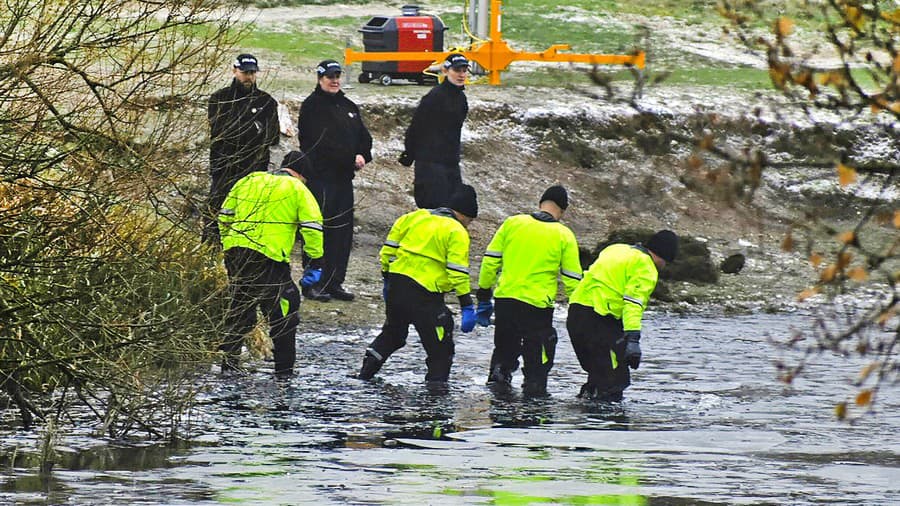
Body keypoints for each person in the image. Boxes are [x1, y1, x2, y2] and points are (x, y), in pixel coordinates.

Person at [358, 185, 480, 382]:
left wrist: (387, 280)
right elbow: (457, 271)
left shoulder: (413, 217)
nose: (469, 225)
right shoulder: (456, 230)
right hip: (426, 295)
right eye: (470, 221)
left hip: (397, 285)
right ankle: (434, 399)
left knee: (393, 334)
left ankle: (364, 375)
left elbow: (388, 251)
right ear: (465, 215)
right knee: (440, 348)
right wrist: (466, 304)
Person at [217, 159, 325, 377]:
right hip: (269, 257)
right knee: (285, 310)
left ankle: (229, 366)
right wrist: (315, 260)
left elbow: (224, 215)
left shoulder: (249, 180)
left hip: (236, 253)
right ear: (302, 175)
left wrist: (228, 242)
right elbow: (312, 227)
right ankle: (284, 372)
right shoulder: (298, 189)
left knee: (241, 306)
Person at [476, 185, 583, 395]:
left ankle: (498, 403)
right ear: (562, 210)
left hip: (506, 299)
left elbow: (490, 261)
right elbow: (572, 278)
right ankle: (534, 405)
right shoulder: (564, 235)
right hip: (537, 306)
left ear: (541, 203)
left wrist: (483, 293)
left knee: (504, 352)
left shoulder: (512, 223)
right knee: (538, 360)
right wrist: (578, 307)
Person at [566, 230, 679, 401]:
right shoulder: (646, 266)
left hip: (575, 315)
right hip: (600, 318)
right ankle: (609, 424)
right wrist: (633, 339)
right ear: (663, 256)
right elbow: (633, 304)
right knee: (614, 381)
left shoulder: (616, 249)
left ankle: (585, 415)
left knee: (598, 374)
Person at [297, 59, 373, 302]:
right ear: (320, 79)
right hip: (321, 179)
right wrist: (350, 158)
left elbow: (364, 137)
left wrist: (362, 154)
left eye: (337, 75)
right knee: (319, 232)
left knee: (342, 234)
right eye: (330, 76)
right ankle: (313, 282)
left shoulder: (348, 106)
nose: (334, 80)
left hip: (343, 180)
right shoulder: (312, 107)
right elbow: (320, 144)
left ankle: (335, 281)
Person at [205, 53, 280, 244]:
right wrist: (253, 128)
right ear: (235, 71)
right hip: (225, 168)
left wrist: (252, 131)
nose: (249, 77)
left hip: (254, 170)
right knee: (216, 212)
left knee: (250, 217)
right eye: (245, 72)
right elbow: (223, 132)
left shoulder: (267, 102)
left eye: (253, 73)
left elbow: (272, 136)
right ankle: (209, 253)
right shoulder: (219, 99)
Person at [398, 53, 469, 209]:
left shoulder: (461, 99)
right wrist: (409, 153)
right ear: (445, 70)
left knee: (452, 207)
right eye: (457, 70)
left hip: (450, 161)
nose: (461, 75)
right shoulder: (434, 97)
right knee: (433, 206)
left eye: (464, 71)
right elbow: (416, 127)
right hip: (430, 162)